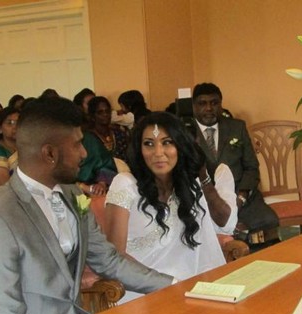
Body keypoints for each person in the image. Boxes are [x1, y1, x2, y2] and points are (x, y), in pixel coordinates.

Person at [0, 97, 173, 314]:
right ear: (50, 153)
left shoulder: (71, 193)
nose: (85, 153)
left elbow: (108, 260)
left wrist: (174, 285)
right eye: (77, 144)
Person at [104, 111, 226, 300]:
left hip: (188, 288)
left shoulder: (188, 187)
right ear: (139, 149)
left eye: (167, 142)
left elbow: (220, 224)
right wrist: (169, 285)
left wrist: (202, 175)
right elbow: (114, 257)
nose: (158, 153)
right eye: (149, 144)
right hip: (139, 294)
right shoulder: (125, 184)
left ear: (180, 146)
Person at [191, 82, 279, 246]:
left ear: (221, 104)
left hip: (241, 196)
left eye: (214, 103)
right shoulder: (186, 132)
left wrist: (241, 197)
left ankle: (259, 256)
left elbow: (252, 167)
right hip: (204, 200)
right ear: (194, 106)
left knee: (268, 222)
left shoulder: (237, 127)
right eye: (202, 103)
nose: (209, 108)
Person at [78, 96, 125, 196]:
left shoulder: (119, 134)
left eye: (107, 111)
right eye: (100, 112)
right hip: (93, 187)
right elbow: (87, 166)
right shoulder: (87, 138)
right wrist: (101, 182)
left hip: (121, 181)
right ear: (92, 116)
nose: (105, 115)